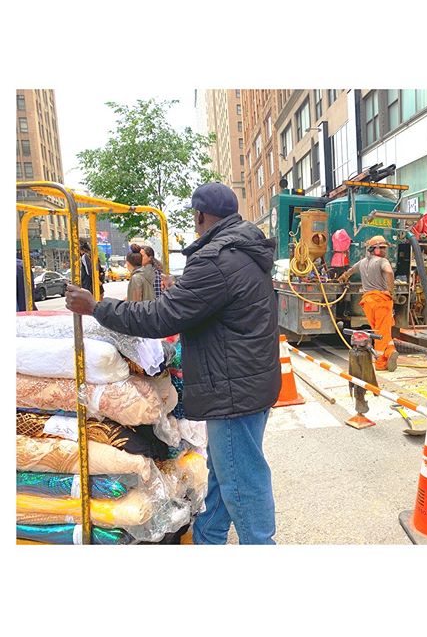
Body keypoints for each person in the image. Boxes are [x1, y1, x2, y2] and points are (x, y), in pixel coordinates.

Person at [65, 182, 280, 545]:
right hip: (251, 382)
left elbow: (161, 318)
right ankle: (209, 536)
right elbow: (219, 301)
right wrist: (184, 286)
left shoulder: (216, 259)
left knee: (242, 479)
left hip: (233, 390)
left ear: (200, 215)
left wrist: (96, 307)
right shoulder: (243, 250)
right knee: (226, 472)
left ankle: (261, 546)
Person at [337, 235, 399, 372]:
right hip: (381, 300)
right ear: (374, 249)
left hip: (368, 302)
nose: (384, 251)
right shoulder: (382, 261)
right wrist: (391, 291)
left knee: (381, 330)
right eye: (382, 248)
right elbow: (389, 272)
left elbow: (350, 272)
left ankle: (390, 351)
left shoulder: (362, 262)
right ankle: (381, 363)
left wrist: (342, 278)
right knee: (381, 333)